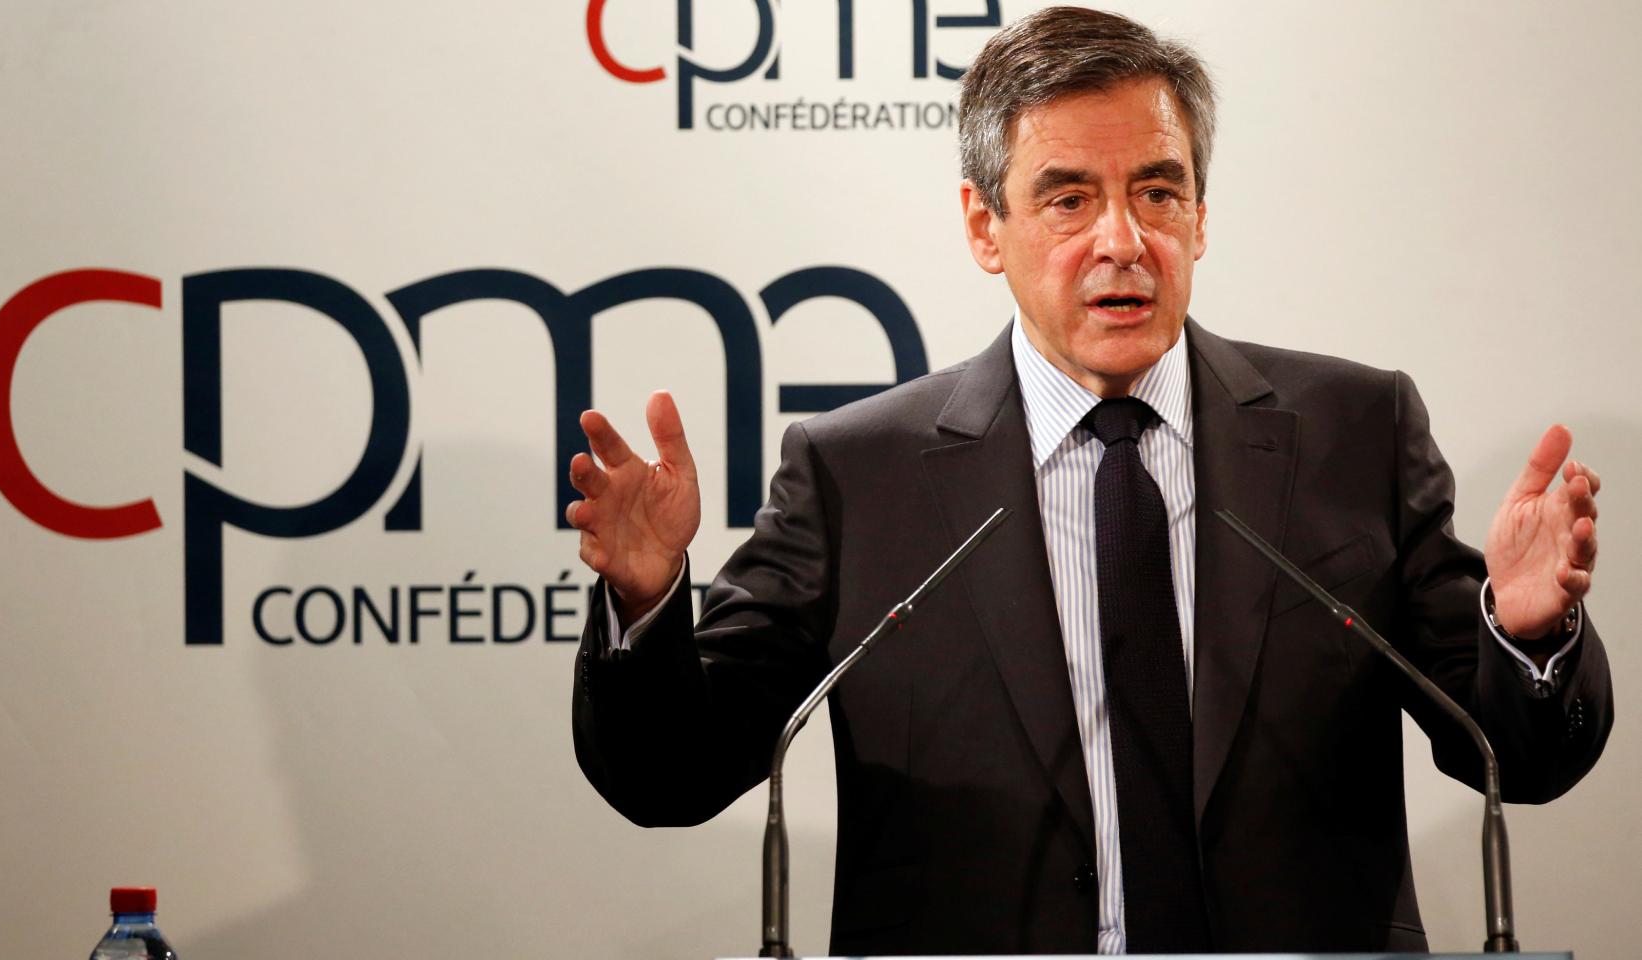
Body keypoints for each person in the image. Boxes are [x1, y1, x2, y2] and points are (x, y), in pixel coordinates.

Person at [568, 7, 1611, 955]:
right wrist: (645, 604)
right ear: (984, 227)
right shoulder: (856, 474)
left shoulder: (1353, 431)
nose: (1124, 241)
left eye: (1157, 191)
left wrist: (1527, 639)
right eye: (1068, 199)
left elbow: (1517, 760)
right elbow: (672, 776)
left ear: (1199, 215)